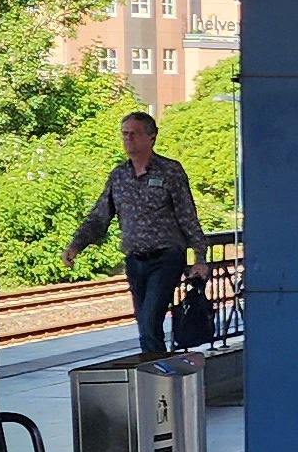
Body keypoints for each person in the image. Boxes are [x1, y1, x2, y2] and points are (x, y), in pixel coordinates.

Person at [65, 111, 209, 357]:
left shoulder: (170, 171)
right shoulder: (119, 176)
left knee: (150, 320)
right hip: (135, 260)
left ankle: (155, 371)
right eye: (125, 134)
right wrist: (75, 245)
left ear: (151, 137)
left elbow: (187, 215)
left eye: (134, 134)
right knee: (145, 325)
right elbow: (99, 216)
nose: (128, 139)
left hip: (165, 258)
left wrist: (200, 258)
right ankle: (156, 368)